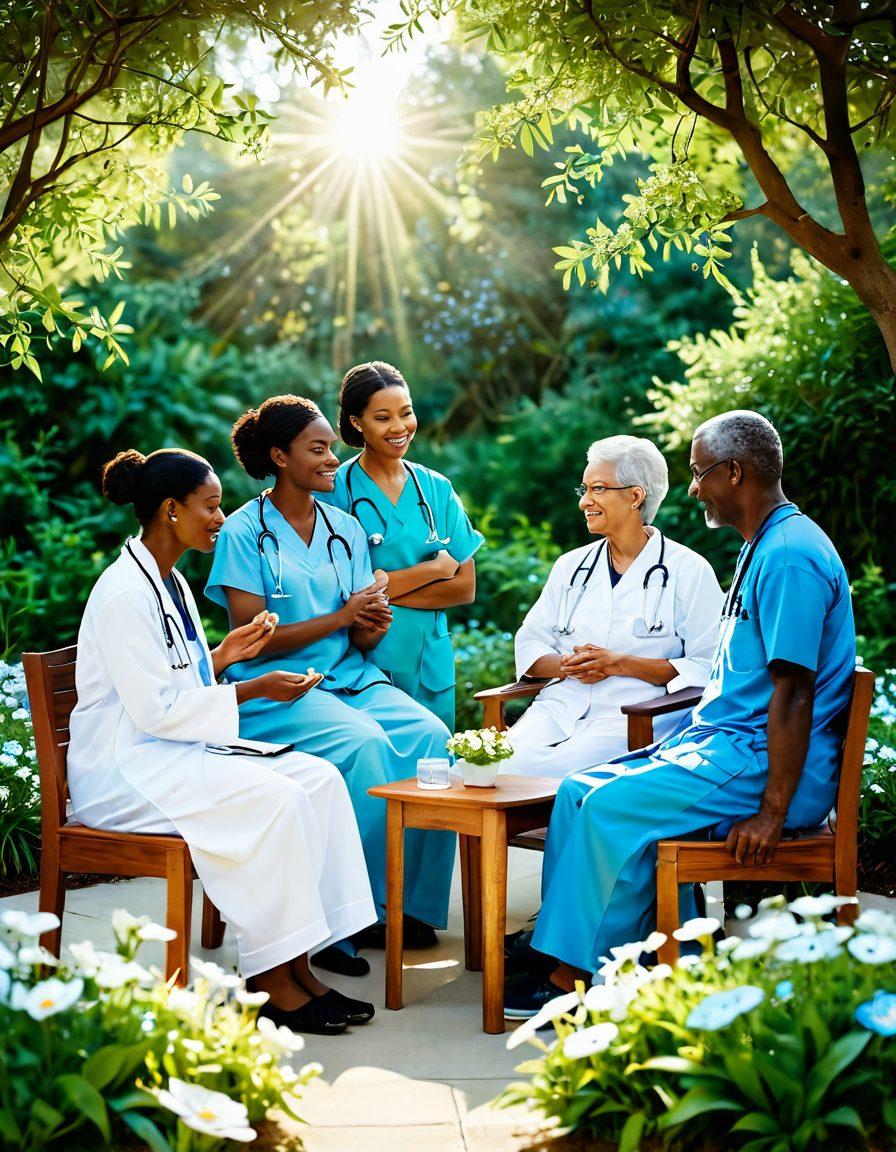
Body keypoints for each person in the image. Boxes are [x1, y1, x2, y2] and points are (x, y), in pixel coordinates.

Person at [505, 410, 856, 1016]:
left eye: (699, 474)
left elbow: (795, 693)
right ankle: (637, 955)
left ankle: (575, 976)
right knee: (579, 791)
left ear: (735, 472)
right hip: (724, 745)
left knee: (609, 808)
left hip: (759, 761)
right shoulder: (760, 547)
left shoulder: (791, 556)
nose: (692, 489)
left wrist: (773, 812)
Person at [68, 448, 377, 1035]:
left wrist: (224, 656)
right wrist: (252, 688)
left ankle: (299, 960)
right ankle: (268, 982)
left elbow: (174, 680)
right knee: (276, 798)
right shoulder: (124, 595)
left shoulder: (171, 580)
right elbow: (157, 711)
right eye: (210, 506)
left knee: (317, 779)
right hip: (122, 771)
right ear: (170, 509)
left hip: (165, 751)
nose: (221, 517)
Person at [205, 395, 455, 972]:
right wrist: (344, 617)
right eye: (317, 450)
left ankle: (405, 906)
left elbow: (356, 635)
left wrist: (369, 624)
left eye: (330, 449)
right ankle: (345, 922)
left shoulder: (344, 527)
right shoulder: (245, 531)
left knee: (431, 737)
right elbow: (252, 635)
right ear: (279, 456)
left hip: (349, 676)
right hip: (277, 686)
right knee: (365, 747)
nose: (330, 460)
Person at [502, 435, 722, 776]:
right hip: (561, 706)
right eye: (584, 489)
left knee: (557, 773)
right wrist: (569, 665)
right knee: (493, 764)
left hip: (637, 715)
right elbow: (530, 642)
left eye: (598, 489)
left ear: (636, 496)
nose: (584, 502)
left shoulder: (689, 571)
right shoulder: (570, 567)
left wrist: (619, 664)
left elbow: (707, 666)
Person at [320, 361, 483, 732]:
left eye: (406, 413)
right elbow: (340, 593)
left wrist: (381, 591)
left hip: (430, 662)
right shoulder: (335, 491)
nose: (399, 427)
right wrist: (434, 570)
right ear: (357, 422)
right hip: (363, 660)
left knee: (435, 772)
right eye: (382, 417)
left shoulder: (436, 489)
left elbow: (464, 587)